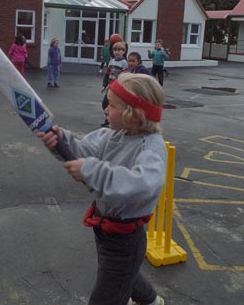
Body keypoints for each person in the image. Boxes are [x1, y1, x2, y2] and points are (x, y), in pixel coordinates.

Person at [37, 73, 166, 305]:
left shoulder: (151, 149)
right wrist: (60, 140)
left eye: (112, 105)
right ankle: (152, 302)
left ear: (134, 115)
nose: (106, 109)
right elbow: (82, 149)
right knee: (124, 274)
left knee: (110, 287)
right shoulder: (111, 135)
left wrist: (93, 171)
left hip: (127, 238)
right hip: (106, 229)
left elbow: (143, 184)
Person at [101, 41, 128, 127]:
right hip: (111, 86)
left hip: (119, 87)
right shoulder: (111, 61)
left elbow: (125, 75)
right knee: (105, 103)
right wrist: (104, 85)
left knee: (115, 104)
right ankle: (107, 118)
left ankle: (115, 121)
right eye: (115, 50)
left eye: (120, 50)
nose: (117, 52)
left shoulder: (124, 63)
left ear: (123, 52)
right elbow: (107, 73)